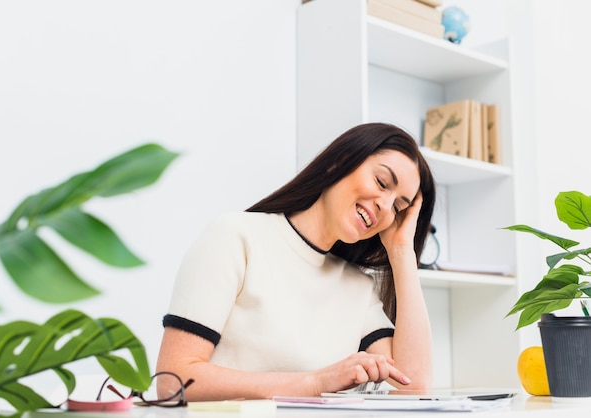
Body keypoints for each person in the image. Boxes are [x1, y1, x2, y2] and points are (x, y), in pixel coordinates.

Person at [156, 122, 436, 401]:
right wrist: (315, 383)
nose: (385, 207)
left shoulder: (358, 288)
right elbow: (174, 381)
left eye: (398, 207)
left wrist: (401, 253)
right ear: (339, 161)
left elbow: (412, 387)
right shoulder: (236, 237)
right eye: (382, 182)